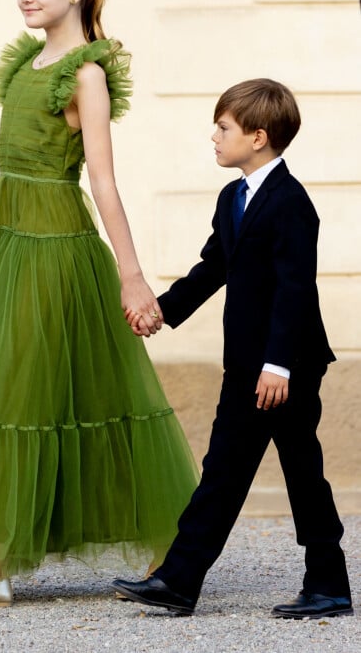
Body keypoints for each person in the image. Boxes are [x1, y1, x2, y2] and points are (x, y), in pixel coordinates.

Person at [0, 0, 198, 609]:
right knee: (65, 395)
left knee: (20, 397)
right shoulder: (25, 66)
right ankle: (173, 550)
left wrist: (132, 277)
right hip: (9, 241)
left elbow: (104, 181)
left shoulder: (85, 75)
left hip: (54, 247)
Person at [113, 78, 353, 619]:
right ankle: (183, 580)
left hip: (284, 368)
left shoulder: (291, 204)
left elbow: (296, 292)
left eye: (224, 128)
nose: (214, 137)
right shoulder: (233, 198)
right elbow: (214, 267)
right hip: (246, 364)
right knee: (232, 469)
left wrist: (278, 365)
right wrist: (161, 311)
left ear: (259, 137)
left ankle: (323, 584)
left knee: (290, 472)